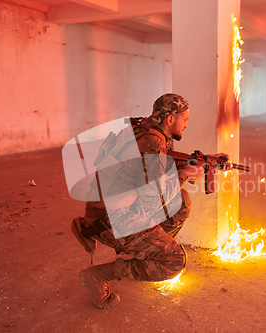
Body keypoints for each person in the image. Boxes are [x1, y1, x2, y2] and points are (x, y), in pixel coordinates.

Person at [71, 93, 204, 309]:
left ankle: (144, 252)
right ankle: (98, 275)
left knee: (180, 201)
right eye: (185, 119)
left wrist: (190, 166)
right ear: (170, 119)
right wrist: (185, 175)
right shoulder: (152, 141)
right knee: (176, 260)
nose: (187, 124)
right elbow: (155, 197)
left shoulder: (140, 129)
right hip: (111, 221)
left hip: (109, 210)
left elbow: (149, 175)